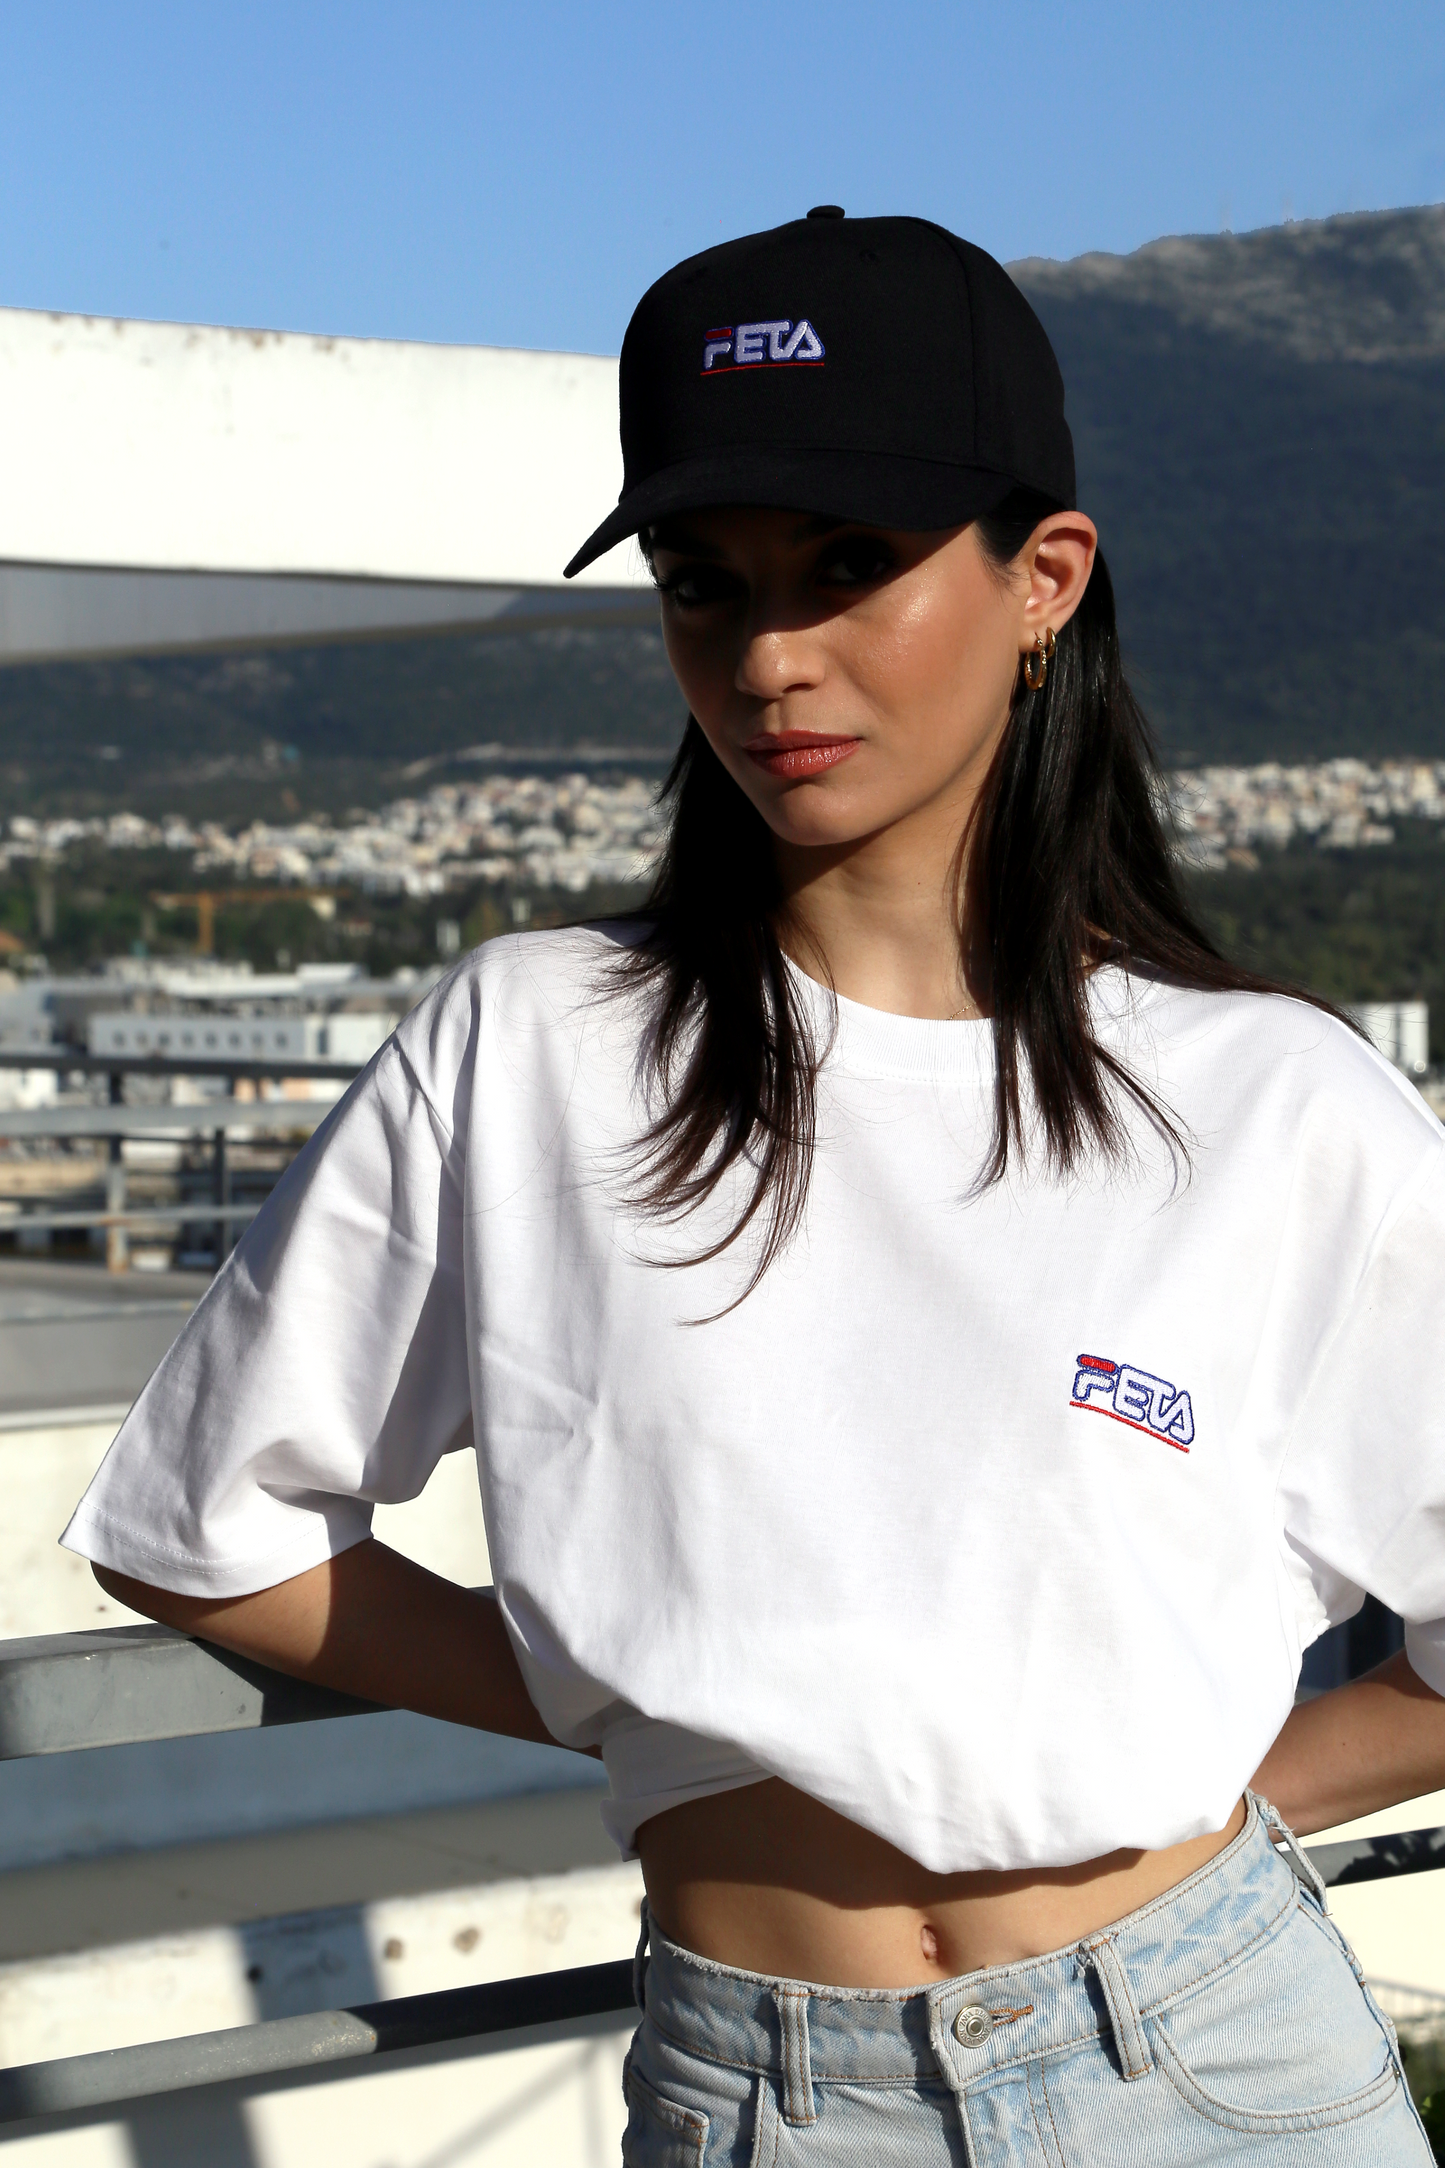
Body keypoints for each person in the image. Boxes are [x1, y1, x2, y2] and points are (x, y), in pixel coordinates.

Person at [64, 211, 1445, 2165]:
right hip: (767, 2099)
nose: (767, 654)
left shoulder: (1274, 1105)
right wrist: (668, 1705)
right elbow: (202, 1527)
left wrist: (1209, 1779)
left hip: (1220, 2054)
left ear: (1040, 578)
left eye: (848, 568)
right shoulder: (529, 1048)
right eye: (704, 585)